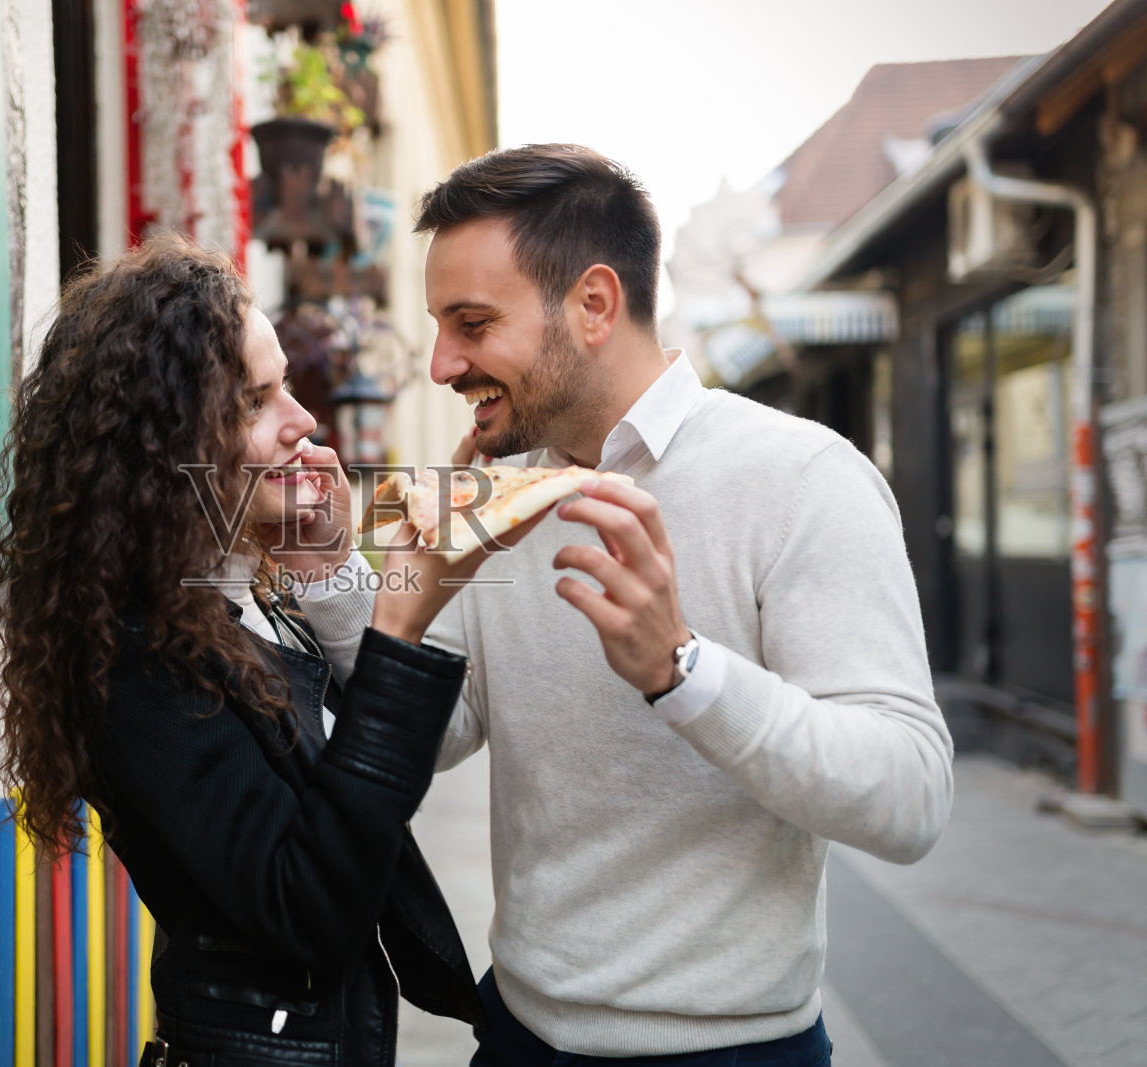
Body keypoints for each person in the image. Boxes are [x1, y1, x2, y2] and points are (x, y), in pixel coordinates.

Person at [298, 145, 953, 1065]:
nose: (444, 363)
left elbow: (912, 795)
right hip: (517, 1034)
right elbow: (442, 730)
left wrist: (681, 669)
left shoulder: (805, 478)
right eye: (441, 325)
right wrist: (335, 574)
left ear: (594, 305)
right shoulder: (494, 488)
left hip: (732, 1051)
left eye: (473, 323)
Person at [0, 233, 544, 1066]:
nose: (303, 421)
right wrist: (398, 618)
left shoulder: (228, 600)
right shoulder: (136, 660)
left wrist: (328, 577)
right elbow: (312, 908)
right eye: (256, 401)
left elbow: (371, 785)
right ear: (164, 449)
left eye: (286, 385)